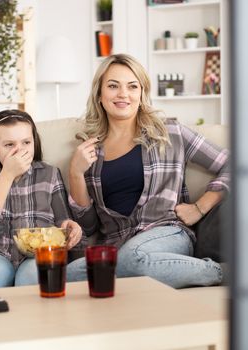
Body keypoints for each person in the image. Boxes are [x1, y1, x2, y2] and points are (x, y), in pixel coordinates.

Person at [66, 54, 230, 288]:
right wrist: (75, 173)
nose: (123, 94)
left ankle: (220, 272)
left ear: (141, 94)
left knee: (132, 260)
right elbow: (89, 226)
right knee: (66, 277)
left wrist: (199, 207)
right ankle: (154, 272)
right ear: (100, 95)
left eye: (132, 86)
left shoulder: (170, 132)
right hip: (118, 246)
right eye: (113, 86)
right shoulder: (89, 149)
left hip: (166, 233)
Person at [0, 109, 82, 289]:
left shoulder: (50, 173)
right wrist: (7, 175)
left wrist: (69, 227)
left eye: (26, 142)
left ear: (34, 142)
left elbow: (62, 220)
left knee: (36, 279)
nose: (19, 150)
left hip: (39, 254)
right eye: (9, 144)